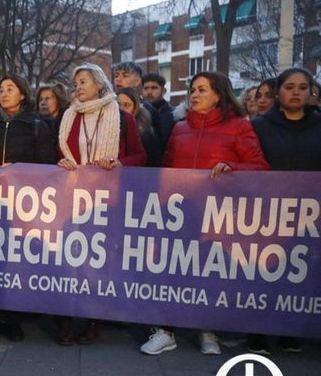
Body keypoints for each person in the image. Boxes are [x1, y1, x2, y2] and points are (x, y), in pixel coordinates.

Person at [141, 71, 269, 357]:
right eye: (192, 90)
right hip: (180, 214)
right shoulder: (179, 129)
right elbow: (168, 168)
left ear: (219, 95)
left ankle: (207, 330)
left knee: (207, 274)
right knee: (172, 271)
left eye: (202, 90)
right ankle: (165, 331)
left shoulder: (239, 127)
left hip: (216, 215)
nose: (194, 95)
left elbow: (259, 166)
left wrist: (234, 169)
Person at [57, 63, 147, 345]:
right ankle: (69, 319)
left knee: (98, 261)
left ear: (99, 84)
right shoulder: (69, 117)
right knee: (70, 259)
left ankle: (93, 320)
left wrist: (119, 162)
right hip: (73, 199)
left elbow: (140, 156)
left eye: (83, 81)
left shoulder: (122, 117)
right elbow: (59, 154)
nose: (78, 87)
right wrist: (61, 163)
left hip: (107, 199)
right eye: (75, 83)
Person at [0, 75, 55, 341]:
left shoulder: (37, 125)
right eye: (1, 89)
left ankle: (13, 320)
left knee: (16, 263)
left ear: (22, 94)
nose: (3, 93)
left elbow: (46, 165)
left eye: (10, 89)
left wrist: (17, 171)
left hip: (22, 205)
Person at [249, 67, 321, 355]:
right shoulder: (259, 125)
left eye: (302, 87)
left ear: (311, 92)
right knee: (263, 272)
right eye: (289, 87)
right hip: (267, 212)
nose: (296, 92)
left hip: (309, 214)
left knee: (300, 272)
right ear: (278, 91)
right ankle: (257, 333)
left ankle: (289, 332)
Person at [117, 87, 162, 167]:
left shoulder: (145, 134)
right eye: (118, 104)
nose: (121, 109)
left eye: (126, 105)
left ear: (135, 109)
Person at [141, 73, 176, 148]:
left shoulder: (174, 115)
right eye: (146, 88)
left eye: (154, 88)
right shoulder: (137, 114)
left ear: (163, 91)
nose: (149, 92)